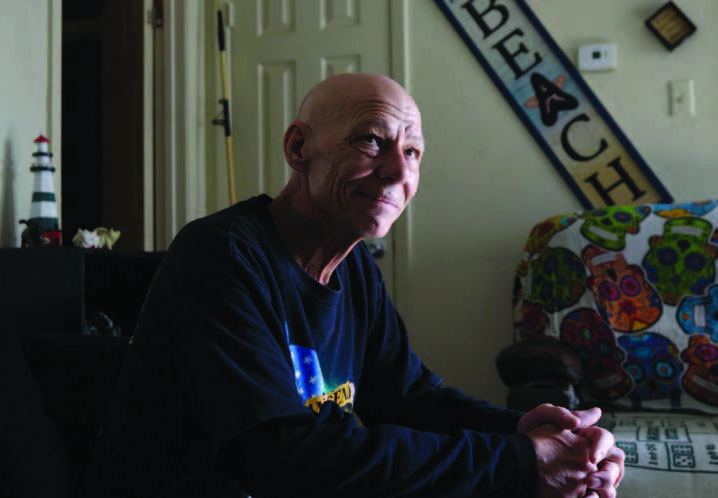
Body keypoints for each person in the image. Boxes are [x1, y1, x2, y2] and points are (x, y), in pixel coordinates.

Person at [88, 72, 624, 497]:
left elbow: (411, 397)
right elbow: (280, 455)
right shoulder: (221, 255)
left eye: (412, 152)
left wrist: (532, 434)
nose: (398, 173)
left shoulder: (355, 266)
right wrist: (523, 462)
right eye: (372, 141)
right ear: (300, 149)